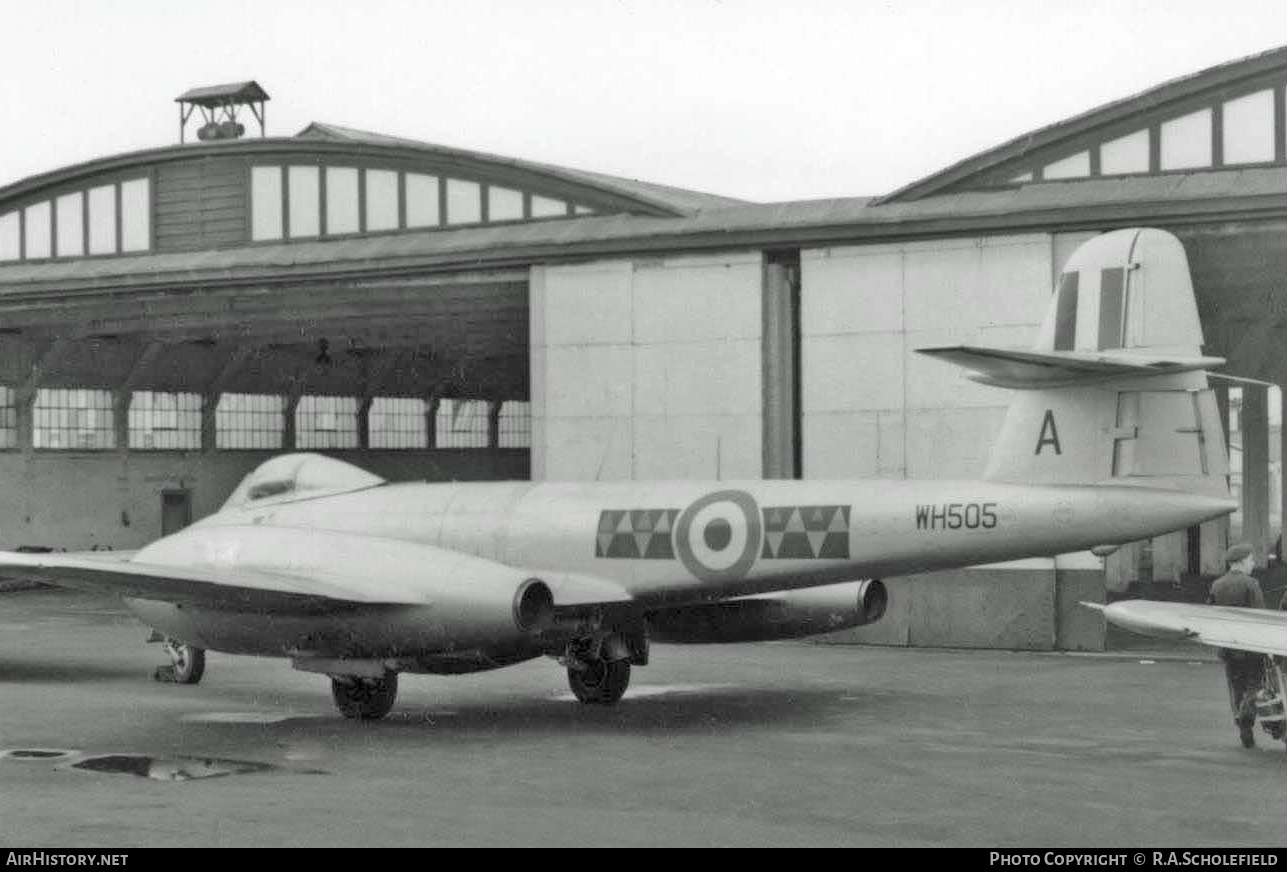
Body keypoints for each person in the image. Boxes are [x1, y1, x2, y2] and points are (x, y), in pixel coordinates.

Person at [1207, 542, 1267, 747]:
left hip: (1228, 647)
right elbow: (1261, 617)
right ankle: (1247, 713)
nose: (1253, 563)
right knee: (1255, 684)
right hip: (1250, 647)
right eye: (1251, 560)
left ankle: (1241, 720)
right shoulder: (1251, 584)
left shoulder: (1217, 585)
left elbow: (1209, 614)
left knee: (1235, 687)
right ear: (1241, 562)